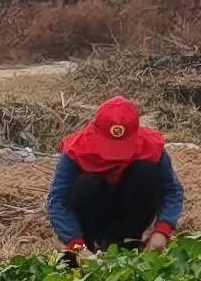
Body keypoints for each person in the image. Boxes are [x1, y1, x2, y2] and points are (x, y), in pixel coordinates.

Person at [50, 96, 183, 265]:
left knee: (145, 170)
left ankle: (130, 241)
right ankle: (93, 244)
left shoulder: (151, 147)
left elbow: (172, 190)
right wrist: (77, 245)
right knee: (88, 182)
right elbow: (58, 202)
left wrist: (162, 230)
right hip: (94, 214)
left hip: (132, 211)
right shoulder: (76, 150)